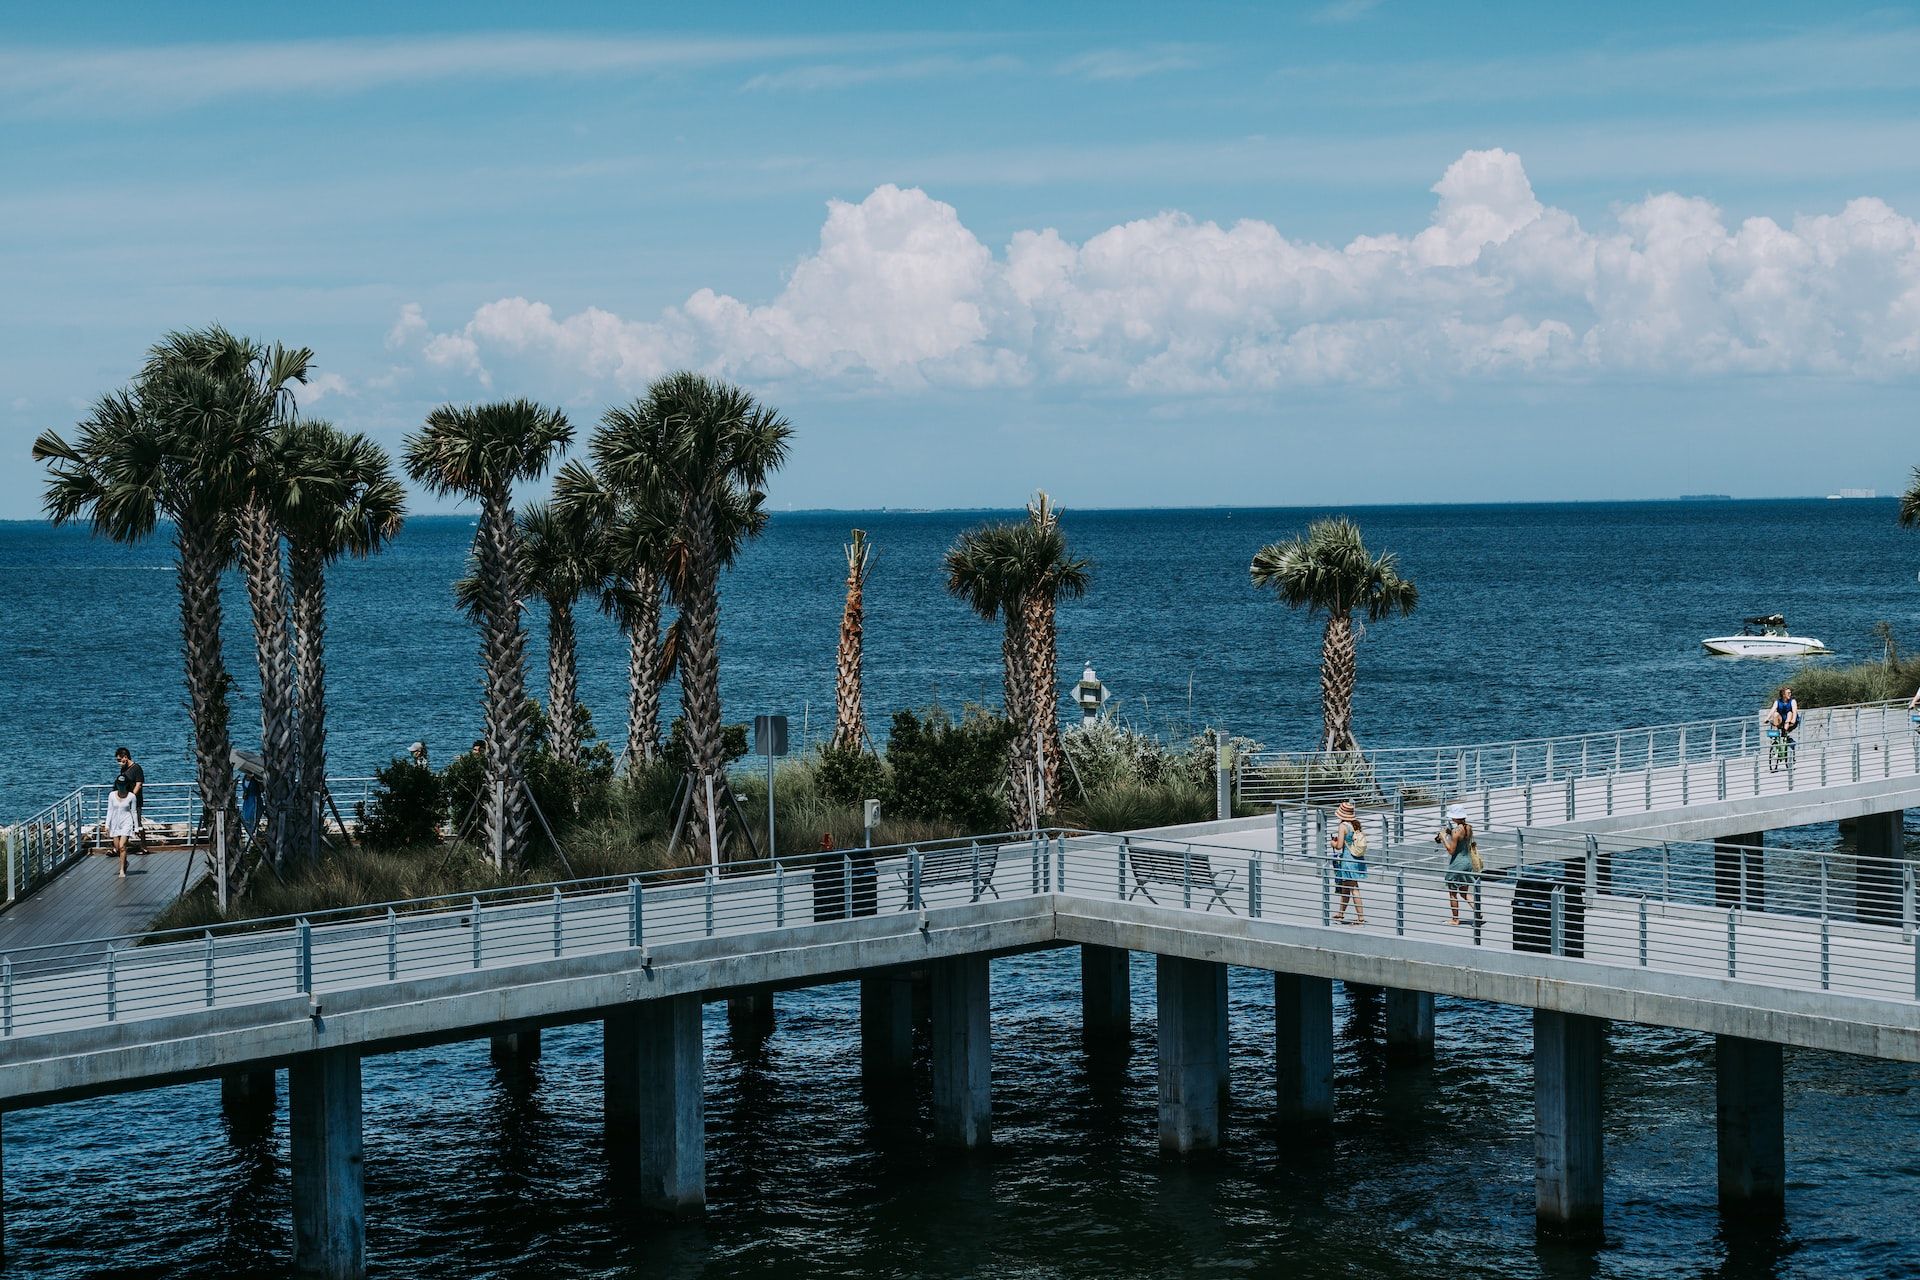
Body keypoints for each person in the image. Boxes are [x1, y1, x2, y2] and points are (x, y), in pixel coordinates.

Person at [1436, 803, 1478, 925]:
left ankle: (1455, 919)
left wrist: (1444, 837)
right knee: (1464, 892)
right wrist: (1450, 833)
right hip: (1468, 861)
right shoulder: (1469, 827)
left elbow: (1451, 850)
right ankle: (1478, 910)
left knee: (1452, 893)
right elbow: (1462, 840)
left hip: (1458, 863)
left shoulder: (1456, 831)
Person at [1330, 800, 1368, 925]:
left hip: (1347, 860)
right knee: (1345, 888)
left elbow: (1339, 846)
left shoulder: (1343, 826)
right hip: (1356, 859)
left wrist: (1333, 843)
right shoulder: (1355, 824)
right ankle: (1341, 913)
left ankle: (1361, 918)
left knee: (1353, 888)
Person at [101, 779, 139, 878]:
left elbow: (134, 812)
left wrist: (137, 827)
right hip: (114, 823)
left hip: (127, 822)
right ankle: (125, 862)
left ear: (126, 785)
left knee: (122, 846)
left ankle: (122, 870)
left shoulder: (131, 796)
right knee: (117, 848)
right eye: (119, 785)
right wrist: (107, 825)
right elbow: (109, 810)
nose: (121, 787)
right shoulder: (112, 795)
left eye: (123, 785)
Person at [113, 746, 145, 831]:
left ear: (125, 757)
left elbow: (138, 784)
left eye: (120, 760)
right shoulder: (123, 769)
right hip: (125, 799)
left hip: (136, 800)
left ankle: (143, 843)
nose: (119, 763)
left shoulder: (136, 768)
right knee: (126, 823)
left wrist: (132, 797)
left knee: (137, 823)